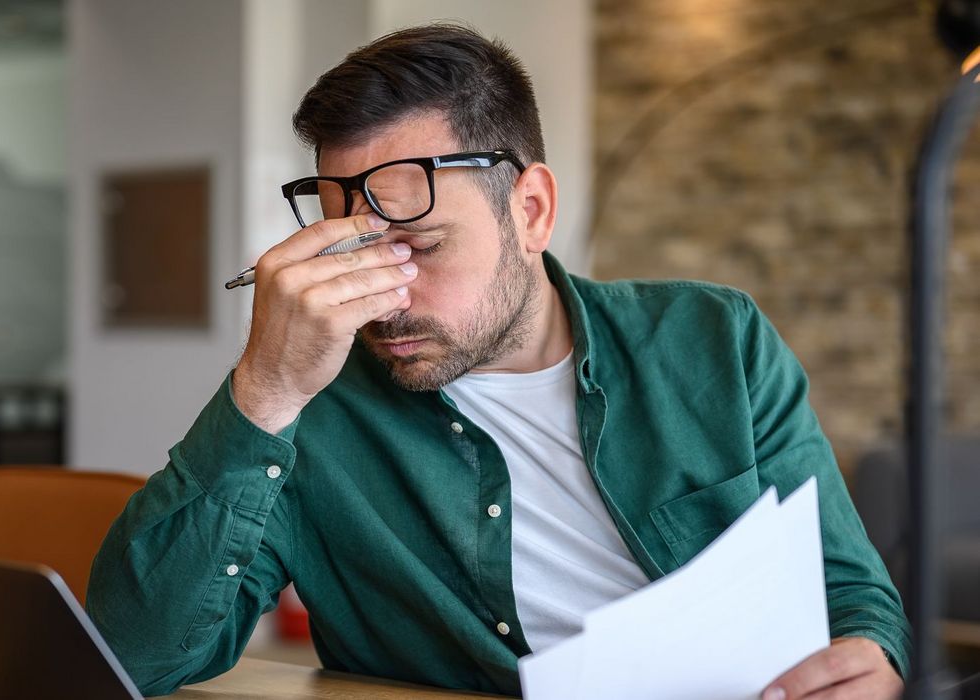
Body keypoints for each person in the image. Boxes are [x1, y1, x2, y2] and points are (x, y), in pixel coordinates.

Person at [87, 23, 909, 699]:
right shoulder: (310, 406)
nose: (386, 296)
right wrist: (262, 393)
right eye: (353, 256)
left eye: (420, 246)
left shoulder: (711, 339)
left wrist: (870, 656)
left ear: (532, 210)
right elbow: (134, 656)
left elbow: (848, 590)